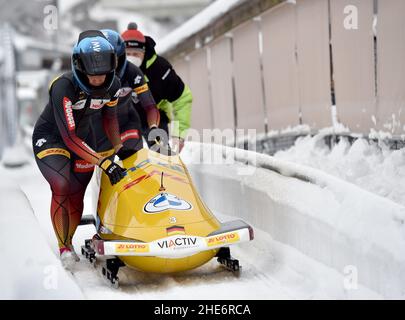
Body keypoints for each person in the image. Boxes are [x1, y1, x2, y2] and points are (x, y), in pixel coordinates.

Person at [32, 30, 132, 269]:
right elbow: (68, 135)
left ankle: (68, 238)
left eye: (103, 74)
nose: (97, 79)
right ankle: (64, 247)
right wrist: (103, 161)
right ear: (79, 67)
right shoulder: (63, 87)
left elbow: (110, 120)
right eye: (91, 74)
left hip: (84, 139)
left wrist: (118, 148)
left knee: (77, 195)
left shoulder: (114, 85)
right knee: (62, 184)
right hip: (52, 138)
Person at [121, 23, 193, 153]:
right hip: (124, 119)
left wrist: (179, 134)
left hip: (155, 118)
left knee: (162, 152)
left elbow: (182, 99)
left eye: (136, 54)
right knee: (129, 154)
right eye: (127, 54)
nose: (131, 58)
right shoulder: (112, 69)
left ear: (144, 52)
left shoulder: (160, 69)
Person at [92, 29, 160, 156]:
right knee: (107, 168)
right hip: (100, 129)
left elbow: (150, 106)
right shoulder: (90, 78)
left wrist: (153, 127)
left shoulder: (132, 72)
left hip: (127, 123)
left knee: (134, 159)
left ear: (121, 57)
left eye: (113, 59)